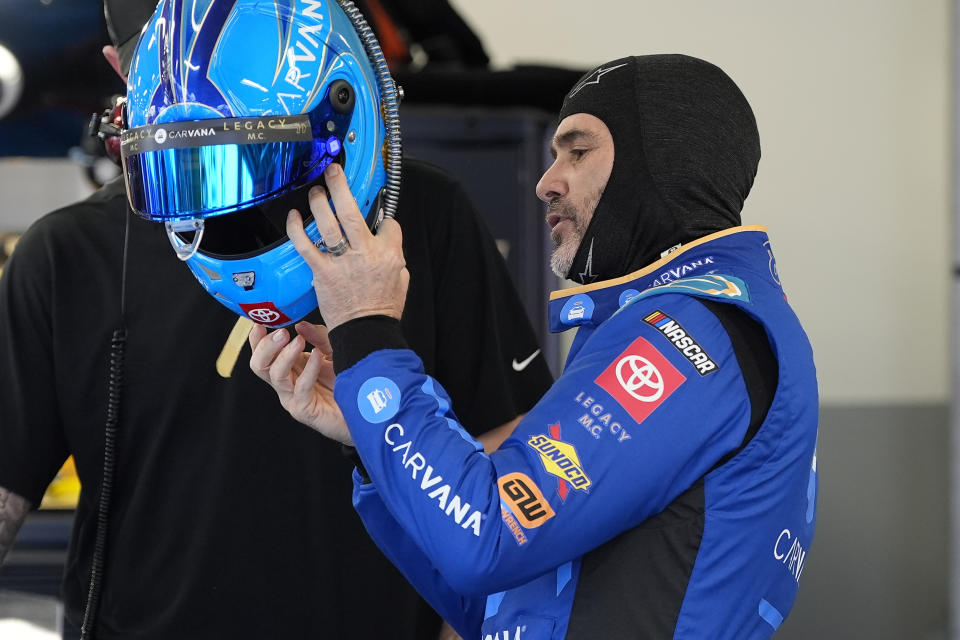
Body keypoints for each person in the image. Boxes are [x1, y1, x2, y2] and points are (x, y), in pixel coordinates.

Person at [0, 1, 551, 638]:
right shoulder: (67, 255)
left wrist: (385, 429)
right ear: (120, 66)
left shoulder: (424, 214)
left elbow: (509, 463)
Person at [251, 54, 819, 639]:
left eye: (577, 152)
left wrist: (368, 335)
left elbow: (485, 538)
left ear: (663, 164)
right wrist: (370, 435)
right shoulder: (664, 324)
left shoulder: (692, 332)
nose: (547, 181)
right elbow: (492, 601)